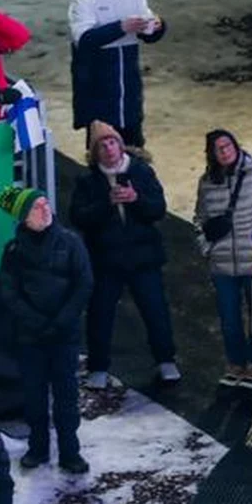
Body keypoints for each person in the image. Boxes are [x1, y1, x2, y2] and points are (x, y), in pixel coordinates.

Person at [67, 120, 176, 388]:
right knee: (100, 315)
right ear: (95, 153)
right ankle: (99, 367)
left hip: (143, 258)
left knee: (155, 311)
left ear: (120, 144)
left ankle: (166, 360)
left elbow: (158, 209)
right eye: (102, 145)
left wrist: (135, 199)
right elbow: (79, 217)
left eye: (112, 142)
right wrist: (107, 203)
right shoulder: (88, 181)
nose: (109, 148)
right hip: (106, 260)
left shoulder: (141, 172)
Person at [0, 181, 89, 473]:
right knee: (33, 396)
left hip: (64, 335)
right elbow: (9, 292)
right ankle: (38, 448)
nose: (45, 209)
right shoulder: (13, 251)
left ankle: (70, 451)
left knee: (66, 395)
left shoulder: (70, 242)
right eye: (37, 206)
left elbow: (84, 283)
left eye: (45, 203)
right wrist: (36, 322)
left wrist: (61, 321)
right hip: (29, 337)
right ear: (24, 216)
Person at [195, 128, 252, 391]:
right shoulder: (207, 182)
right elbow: (199, 217)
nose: (224, 152)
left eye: (227, 145)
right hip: (221, 263)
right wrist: (206, 246)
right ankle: (235, 362)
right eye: (218, 148)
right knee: (229, 318)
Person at [66, 0, 163, 148]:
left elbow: (149, 34)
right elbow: (85, 40)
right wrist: (121, 28)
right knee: (103, 154)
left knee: (135, 152)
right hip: (97, 93)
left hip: (129, 93)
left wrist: (157, 26)